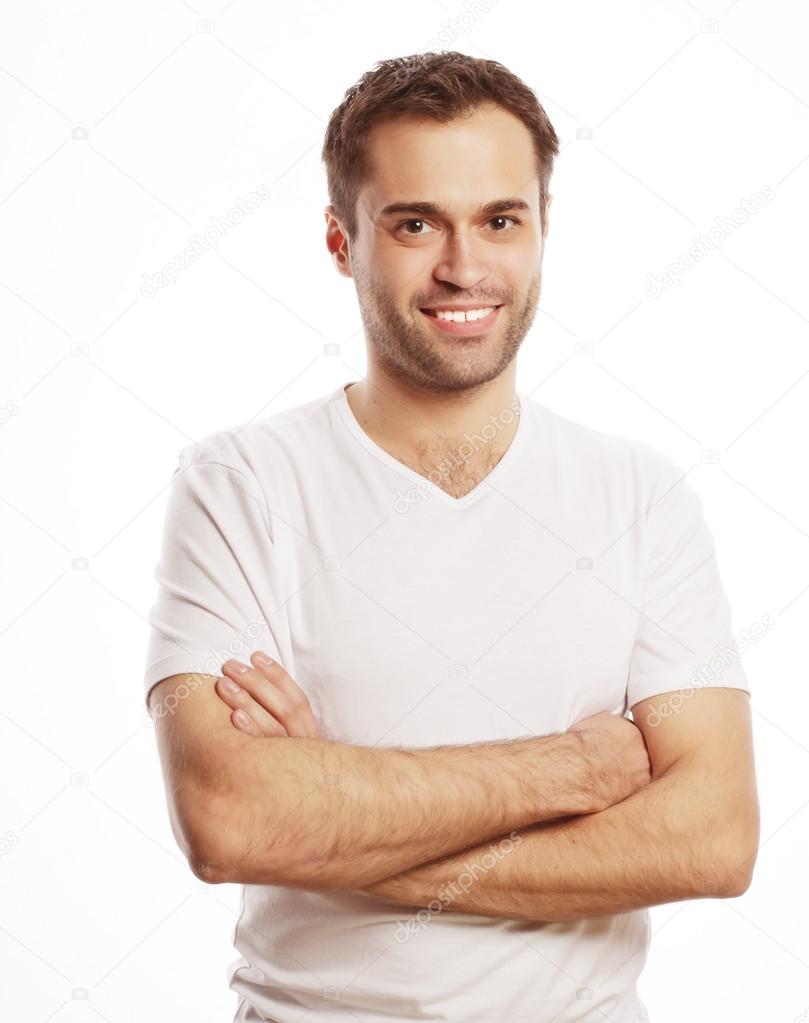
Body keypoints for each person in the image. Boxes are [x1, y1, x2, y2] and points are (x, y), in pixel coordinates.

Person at [143, 51, 759, 1023]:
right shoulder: (239, 485)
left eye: (498, 221)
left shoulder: (638, 496)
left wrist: (334, 815)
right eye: (414, 222)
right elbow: (230, 820)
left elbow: (711, 839)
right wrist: (573, 771)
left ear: (542, 232)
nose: (462, 268)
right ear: (342, 241)